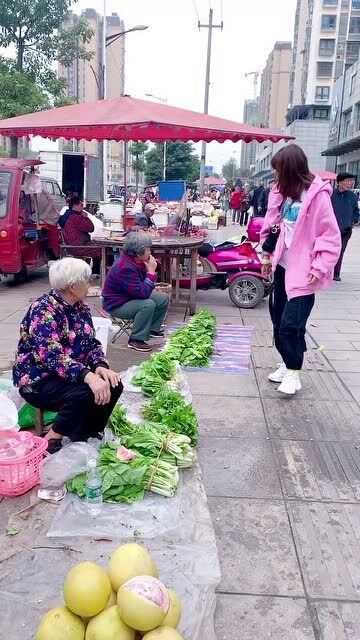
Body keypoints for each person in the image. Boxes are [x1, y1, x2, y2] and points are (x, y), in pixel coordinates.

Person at [12, 258, 122, 453]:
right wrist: (88, 376)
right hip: (38, 378)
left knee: (113, 384)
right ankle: (52, 438)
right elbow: (52, 356)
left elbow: (92, 344)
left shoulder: (81, 308)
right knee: (85, 392)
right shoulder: (43, 310)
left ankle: (87, 434)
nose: (90, 285)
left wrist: (100, 366)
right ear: (73, 287)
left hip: (69, 372)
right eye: (87, 281)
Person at [260, 144, 341, 396]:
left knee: (291, 326)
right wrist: (267, 256)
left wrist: (320, 267)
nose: (276, 178)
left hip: (304, 272)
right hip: (282, 267)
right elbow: (273, 227)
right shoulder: (284, 195)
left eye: (279, 172)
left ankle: (294, 372)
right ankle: (286, 363)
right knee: (277, 321)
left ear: (291, 170)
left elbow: (329, 235)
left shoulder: (317, 196)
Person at [102, 232, 170, 353]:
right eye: (148, 249)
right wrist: (150, 272)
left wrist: (152, 266)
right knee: (147, 304)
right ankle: (136, 339)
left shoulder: (136, 261)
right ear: (138, 253)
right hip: (116, 304)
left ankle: (151, 329)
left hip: (129, 297)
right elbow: (143, 294)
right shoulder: (125, 267)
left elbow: (141, 289)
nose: (150, 251)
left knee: (163, 298)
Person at [59, 196, 102, 274]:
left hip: (70, 245)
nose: (83, 207)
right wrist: (85, 217)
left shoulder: (66, 216)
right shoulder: (75, 217)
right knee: (101, 250)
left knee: (95, 245)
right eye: (81, 205)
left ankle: (93, 271)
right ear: (75, 206)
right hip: (78, 247)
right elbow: (91, 228)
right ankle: (96, 272)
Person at [331, 172, 359, 281]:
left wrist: (352, 221)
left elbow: (356, 212)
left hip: (346, 230)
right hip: (331, 229)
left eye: (351, 181)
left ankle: (336, 273)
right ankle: (326, 271)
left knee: (340, 251)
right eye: (347, 181)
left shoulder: (353, 196)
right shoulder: (331, 194)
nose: (350, 183)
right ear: (339, 182)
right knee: (328, 250)